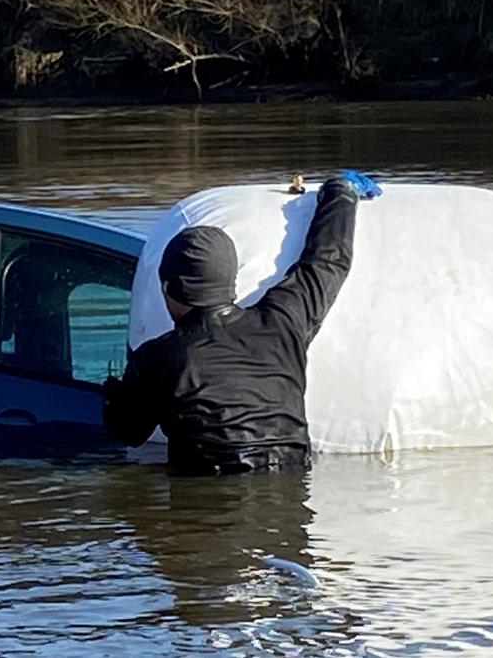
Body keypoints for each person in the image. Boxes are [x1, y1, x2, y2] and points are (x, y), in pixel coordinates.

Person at [102, 171, 379, 475]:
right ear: (230, 280)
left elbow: (127, 433)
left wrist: (117, 389)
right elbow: (328, 262)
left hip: (209, 507)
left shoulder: (158, 359)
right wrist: (341, 194)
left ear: (167, 288)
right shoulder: (284, 322)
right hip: (288, 504)